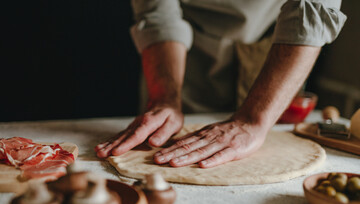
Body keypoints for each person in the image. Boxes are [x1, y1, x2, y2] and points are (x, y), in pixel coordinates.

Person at [95, 0, 346, 168]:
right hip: (184, 49)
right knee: (164, 146)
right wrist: (165, 98)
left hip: (276, 45)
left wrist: (253, 120)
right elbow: (158, 11)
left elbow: (311, 10)